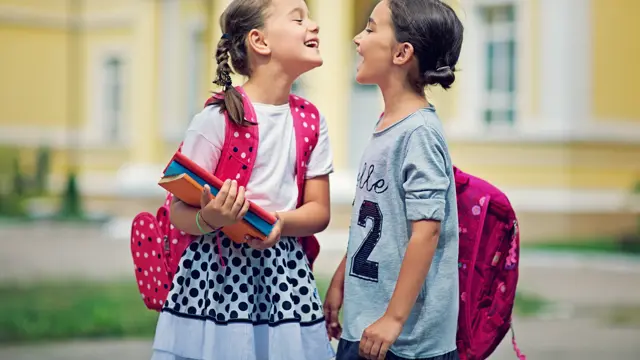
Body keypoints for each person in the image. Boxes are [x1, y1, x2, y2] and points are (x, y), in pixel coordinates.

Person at [151, 0, 335, 359]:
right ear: (260, 41)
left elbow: (320, 211)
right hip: (217, 281)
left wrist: (279, 222)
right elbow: (178, 210)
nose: (313, 26)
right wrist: (211, 219)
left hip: (284, 279)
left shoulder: (312, 121)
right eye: (299, 18)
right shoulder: (216, 119)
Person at [324, 0, 464, 359]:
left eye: (370, 28)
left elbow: (427, 231)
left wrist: (393, 318)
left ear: (402, 52)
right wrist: (343, 278)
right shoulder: (387, 125)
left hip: (405, 343)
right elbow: (375, 220)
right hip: (365, 325)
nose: (357, 38)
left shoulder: (419, 132)